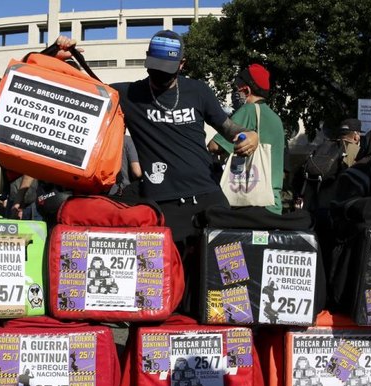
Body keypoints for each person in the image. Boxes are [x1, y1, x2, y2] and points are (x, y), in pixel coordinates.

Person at [54, 32, 257, 244]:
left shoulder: (197, 91)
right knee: (169, 276)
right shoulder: (128, 94)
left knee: (229, 274)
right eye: (155, 68)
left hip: (209, 198)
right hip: (161, 207)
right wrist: (60, 59)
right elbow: (78, 94)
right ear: (147, 58)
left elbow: (227, 127)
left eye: (167, 70)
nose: (159, 75)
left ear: (181, 64)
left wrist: (248, 135)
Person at [209, 63, 285, 214]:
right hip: (273, 204)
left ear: (246, 90)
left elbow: (214, 146)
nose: (236, 94)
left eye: (237, 89)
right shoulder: (276, 119)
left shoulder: (248, 111)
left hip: (250, 206)